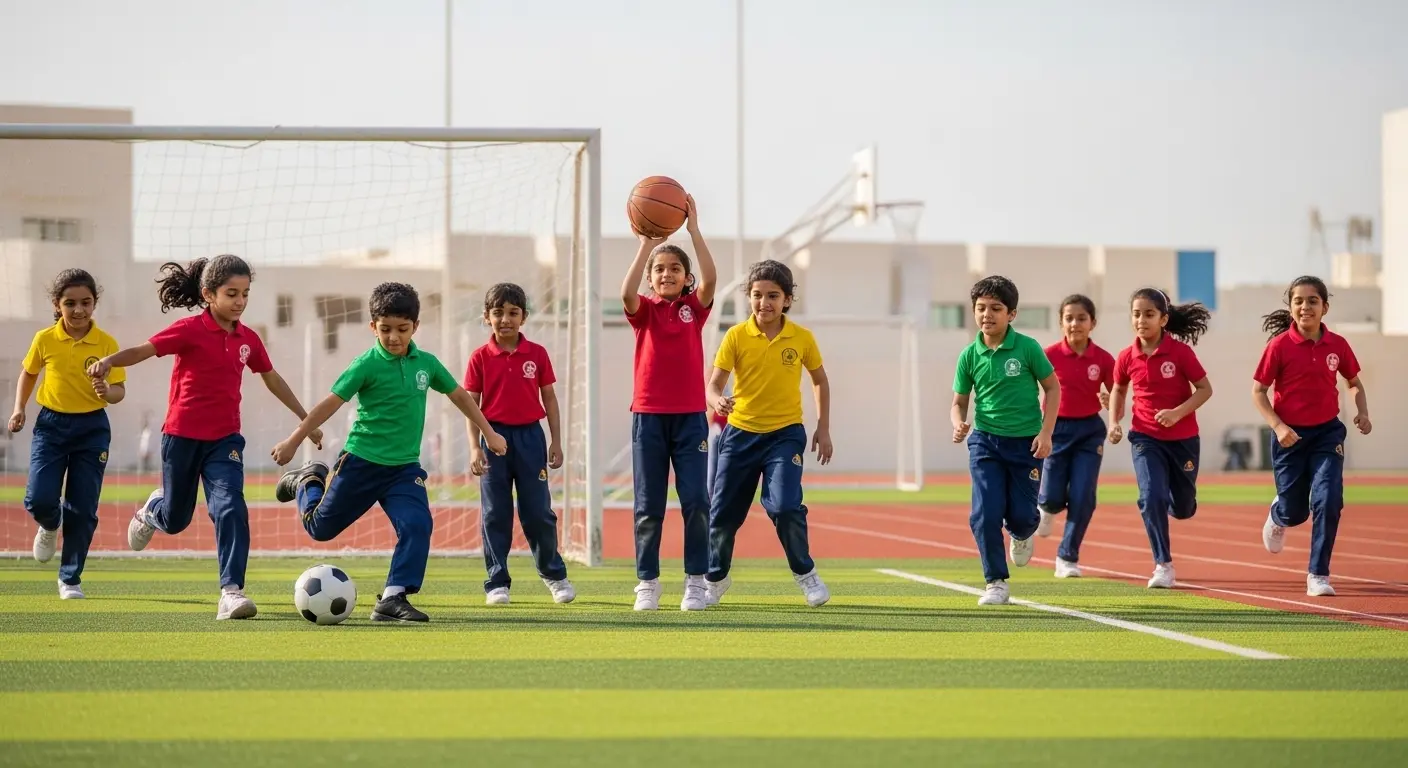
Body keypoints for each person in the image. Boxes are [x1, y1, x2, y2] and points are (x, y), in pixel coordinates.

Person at [88, 254, 321, 620]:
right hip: (180, 438)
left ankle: (231, 592)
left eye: (245, 294)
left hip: (225, 441)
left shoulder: (249, 339)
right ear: (209, 294)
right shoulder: (189, 330)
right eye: (232, 293)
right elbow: (144, 350)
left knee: (230, 507)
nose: (240, 301)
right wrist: (109, 362)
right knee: (176, 519)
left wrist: (306, 418)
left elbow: (271, 378)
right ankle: (153, 511)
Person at [271, 282, 506, 623]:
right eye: (385, 330)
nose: (394, 337)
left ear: (415, 327)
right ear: (373, 327)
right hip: (361, 463)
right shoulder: (365, 365)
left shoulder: (426, 364)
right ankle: (307, 480)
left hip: (403, 470)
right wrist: (294, 440)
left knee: (417, 524)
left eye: (402, 329)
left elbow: (459, 396)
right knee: (320, 530)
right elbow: (329, 404)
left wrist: (488, 431)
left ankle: (394, 597)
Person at [705, 259, 832, 608]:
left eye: (773, 295)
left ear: (788, 299)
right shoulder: (736, 335)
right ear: (749, 298)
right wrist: (717, 401)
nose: (765, 303)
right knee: (722, 514)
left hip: (785, 435)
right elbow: (713, 385)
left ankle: (807, 576)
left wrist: (823, 427)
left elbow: (819, 380)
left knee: (786, 506)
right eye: (758, 295)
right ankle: (715, 579)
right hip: (740, 434)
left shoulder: (802, 338)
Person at [621, 195, 717, 611]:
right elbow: (625, 292)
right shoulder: (644, 311)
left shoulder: (692, 311)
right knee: (648, 506)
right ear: (651, 278)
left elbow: (712, 280)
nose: (666, 274)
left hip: (691, 419)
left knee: (696, 501)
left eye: (675, 268)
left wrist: (693, 230)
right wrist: (646, 242)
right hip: (648, 419)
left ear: (686, 277)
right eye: (659, 270)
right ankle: (648, 582)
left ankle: (695, 581)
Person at [9, 269, 126, 599]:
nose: (79, 310)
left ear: (94, 304)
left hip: (92, 429)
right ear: (57, 305)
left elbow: (119, 391)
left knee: (83, 507)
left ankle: (70, 578)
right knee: (38, 499)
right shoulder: (45, 338)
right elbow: (29, 373)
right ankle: (49, 524)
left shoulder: (107, 344)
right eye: (70, 303)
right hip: (51, 427)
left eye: (86, 303)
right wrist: (20, 408)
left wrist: (106, 391)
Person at [1252, 275, 1370, 597]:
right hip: (1289, 436)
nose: (1306, 307)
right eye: (1299, 301)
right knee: (1295, 512)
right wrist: (1278, 427)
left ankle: (1318, 574)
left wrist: (1362, 411)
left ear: (1325, 307)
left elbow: (1354, 383)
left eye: (1313, 301)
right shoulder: (1278, 346)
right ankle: (1279, 514)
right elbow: (1259, 392)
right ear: (1291, 308)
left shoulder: (1338, 345)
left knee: (1329, 499)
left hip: (1327, 434)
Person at [951, 276, 1060, 606]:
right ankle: (995, 581)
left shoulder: (1027, 348)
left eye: (996, 308)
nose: (987, 315)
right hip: (985, 442)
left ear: (1011, 314)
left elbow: (1053, 388)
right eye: (981, 308)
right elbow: (958, 401)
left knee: (1024, 517)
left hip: (1026, 444)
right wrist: (959, 424)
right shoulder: (969, 355)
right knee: (984, 513)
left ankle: (1022, 534)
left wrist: (1046, 433)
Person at [465, 282, 574, 606]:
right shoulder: (480, 357)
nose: (505, 319)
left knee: (538, 512)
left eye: (513, 312)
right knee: (495, 513)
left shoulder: (537, 354)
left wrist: (556, 441)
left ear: (524, 317)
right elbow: (471, 405)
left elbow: (550, 399)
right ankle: (497, 582)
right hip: (494, 438)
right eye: (498, 313)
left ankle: (554, 575)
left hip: (530, 438)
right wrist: (475, 447)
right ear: (487, 317)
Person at [1107, 288, 1213, 589]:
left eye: (1149, 314)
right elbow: (1119, 388)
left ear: (1164, 319)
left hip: (1183, 440)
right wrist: (1114, 422)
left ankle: (1174, 502)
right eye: (1136, 314)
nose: (1141, 320)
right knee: (1150, 496)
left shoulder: (1180, 353)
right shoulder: (1127, 356)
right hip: (1145, 438)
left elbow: (1205, 389)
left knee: (1182, 507)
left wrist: (1177, 413)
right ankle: (1163, 565)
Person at [1036, 294, 1115, 578]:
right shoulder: (1048, 355)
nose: (1075, 324)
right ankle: (1046, 506)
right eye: (1069, 318)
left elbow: (1116, 391)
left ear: (1092, 323)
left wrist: (1110, 402)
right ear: (1061, 322)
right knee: (1053, 496)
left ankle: (1067, 557)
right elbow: (1029, 386)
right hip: (1055, 430)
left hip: (1089, 433)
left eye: (1081, 318)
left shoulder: (1104, 359)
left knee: (1084, 495)